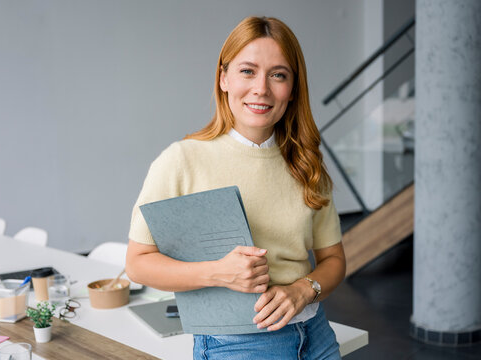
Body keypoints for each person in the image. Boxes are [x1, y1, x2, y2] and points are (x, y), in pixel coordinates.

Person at [126, 16, 346, 359]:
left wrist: (305, 289)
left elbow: (333, 259)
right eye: (247, 71)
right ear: (223, 78)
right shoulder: (181, 161)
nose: (261, 88)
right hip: (237, 344)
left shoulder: (306, 162)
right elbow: (138, 263)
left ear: (292, 89)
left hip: (315, 335)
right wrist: (217, 272)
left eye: (278, 74)